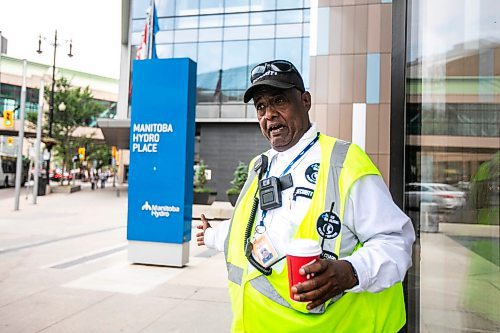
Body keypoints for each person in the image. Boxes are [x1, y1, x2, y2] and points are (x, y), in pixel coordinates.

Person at [197, 60, 415, 333]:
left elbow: (395, 240)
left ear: (305, 100)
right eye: (261, 107)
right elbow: (250, 228)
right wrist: (214, 234)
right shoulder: (260, 165)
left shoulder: (344, 161)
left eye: (279, 101)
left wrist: (350, 272)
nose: (269, 114)